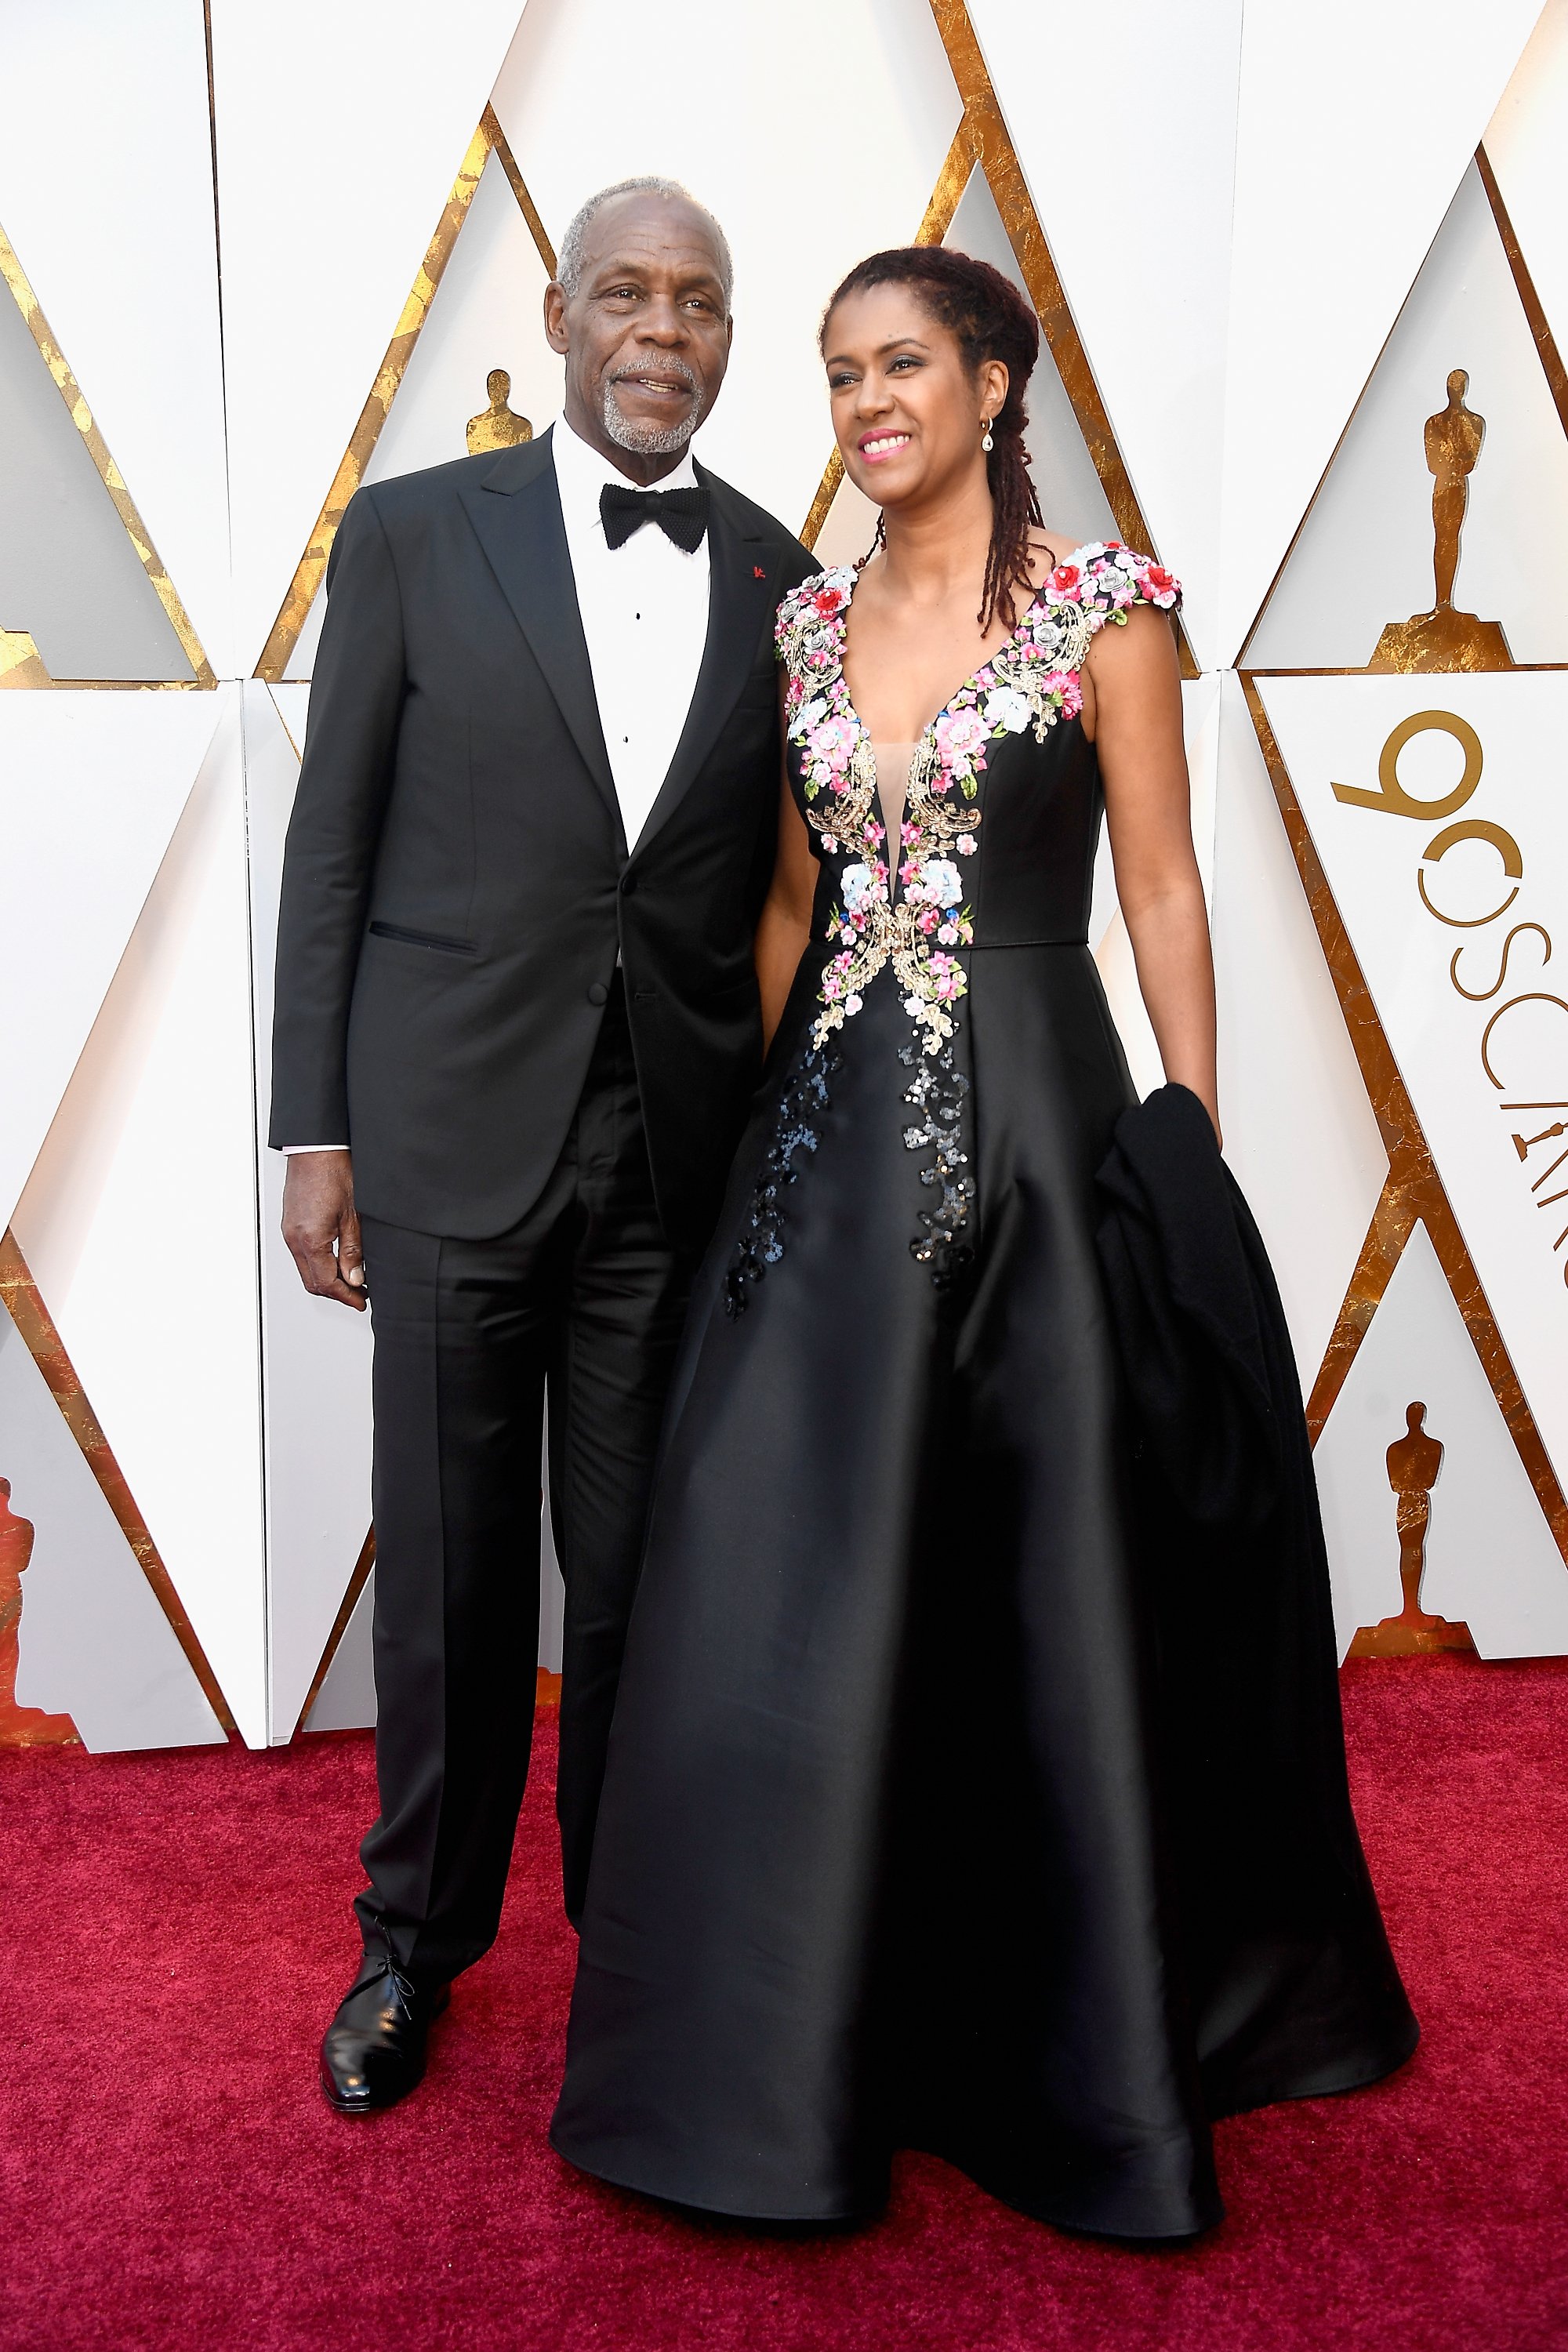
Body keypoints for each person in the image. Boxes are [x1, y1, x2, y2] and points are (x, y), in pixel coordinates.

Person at [550, 246, 1418, 2240]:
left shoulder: (1105, 610)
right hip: (826, 1146)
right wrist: (777, 1127)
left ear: (995, 382)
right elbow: (789, 900)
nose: (870, 402)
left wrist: (1184, 1133)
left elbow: (1165, 882)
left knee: (1041, 1575)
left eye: (907, 364)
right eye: (847, 370)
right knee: (792, 1568)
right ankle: (778, 2053)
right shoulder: (802, 619)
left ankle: (1063, 2062)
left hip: (1036, 1124)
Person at [269, 176, 815, 2114]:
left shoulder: (779, 570)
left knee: (649, 1576)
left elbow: (781, 883)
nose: (665, 331)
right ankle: (411, 1946)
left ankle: (638, 1944)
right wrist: (312, 1128)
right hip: (437, 1136)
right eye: (630, 295)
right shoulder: (416, 534)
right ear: (561, 309)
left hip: (672, 1161)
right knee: (447, 1571)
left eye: (703, 299)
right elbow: (330, 841)